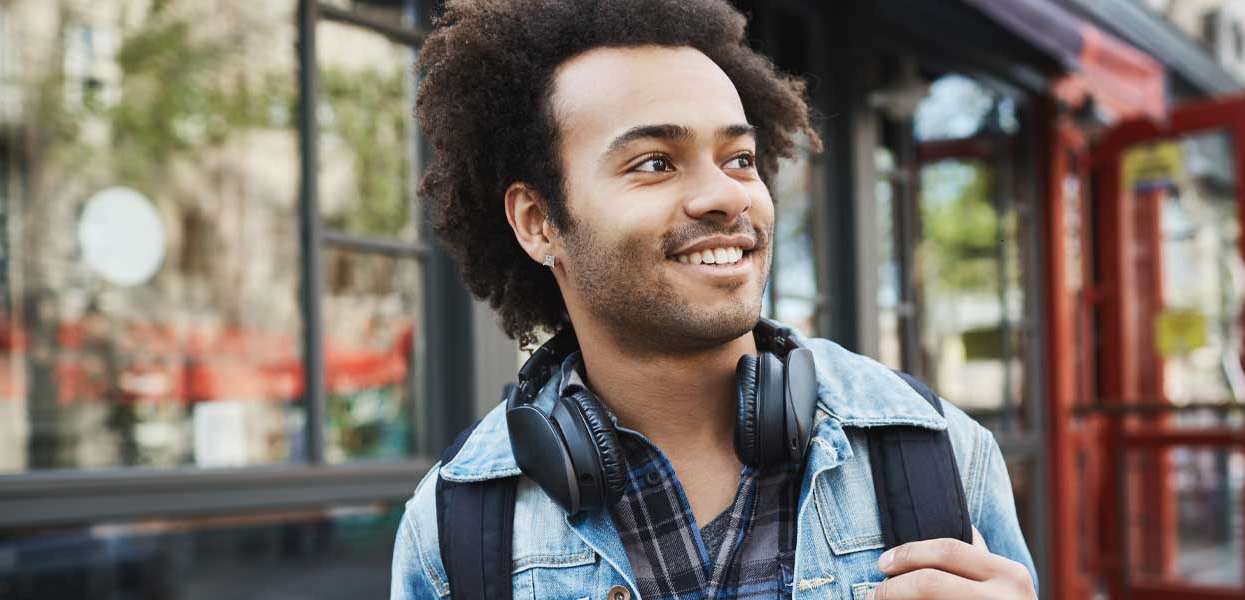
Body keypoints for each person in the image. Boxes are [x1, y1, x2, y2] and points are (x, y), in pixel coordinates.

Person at [392, 1, 1036, 598]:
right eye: (655, 162)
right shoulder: (451, 529)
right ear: (538, 222)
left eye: (739, 158)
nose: (728, 195)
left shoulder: (940, 452)